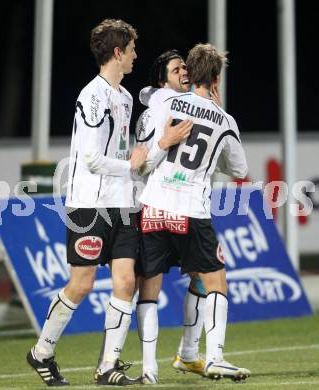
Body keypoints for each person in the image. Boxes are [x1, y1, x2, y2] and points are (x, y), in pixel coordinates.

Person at [26, 18, 148, 387]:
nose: (134, 56)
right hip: (89, 206)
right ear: (117, 52)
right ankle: (41, 352)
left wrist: (137, 175)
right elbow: (94, 159)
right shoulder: (91, 96)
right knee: (80, 285)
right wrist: (131, 165)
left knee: (126, 281)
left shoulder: (126, 97)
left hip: (122, 205)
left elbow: (124, 155)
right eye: (130, 49)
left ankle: (107, 366)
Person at [138, 43, 251, 382]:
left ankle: (151, 368)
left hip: (154, 204)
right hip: (190, 209)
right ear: (216, 77)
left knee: (150, 289)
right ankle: (214, 356)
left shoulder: (168, 102)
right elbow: (240, 169)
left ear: (190, 73)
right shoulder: (225, 120)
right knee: (215, 279)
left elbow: (148, 148)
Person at [134, 50, 209, 384]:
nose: (185, 72)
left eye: (186, 67)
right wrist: (166, 141)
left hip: (177, 205)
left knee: (201, 276)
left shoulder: (184, 106)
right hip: (159, 205)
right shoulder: (158, 109)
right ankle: (157, 365)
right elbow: (141, 164)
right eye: (177, 68)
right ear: (162, 79)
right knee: (155, 285)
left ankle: (183, 356)